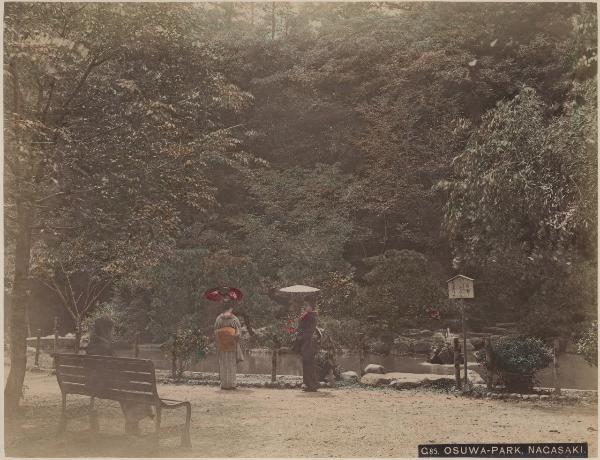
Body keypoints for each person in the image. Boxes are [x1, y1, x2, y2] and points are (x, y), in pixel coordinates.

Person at [86, 316, 153, 436]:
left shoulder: (91, 346)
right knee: (130, 389)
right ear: (106, 331)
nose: (113, 333)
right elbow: (113, 370)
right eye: (112, 330)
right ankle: (135, 421)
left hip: (93, 385)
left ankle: (134, 421)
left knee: (126, 389)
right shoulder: (105, 348)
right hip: (107, 386)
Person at [214, 302, 243, 390]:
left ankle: (224, 384)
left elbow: (215, 331)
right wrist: (233, 336)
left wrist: (221, 337)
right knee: (231, 364)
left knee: (223, 364)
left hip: (222, 344)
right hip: (232, 344)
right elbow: (238, 333)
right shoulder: (234, 319)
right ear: (231, 308)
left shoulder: (219, 319)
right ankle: (232, 384)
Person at [294, 302, 319, 392]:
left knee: (309, 364)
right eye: (306, 306)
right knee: (306, 364)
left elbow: (308, 329)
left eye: (308, 306)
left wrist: (300, 335)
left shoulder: (311, 316)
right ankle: (308, 385)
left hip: (309, 342)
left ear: (311, 307)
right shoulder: (307, 316)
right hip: (306, 342)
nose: (306, 307)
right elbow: (301, 326)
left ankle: (312, 385)